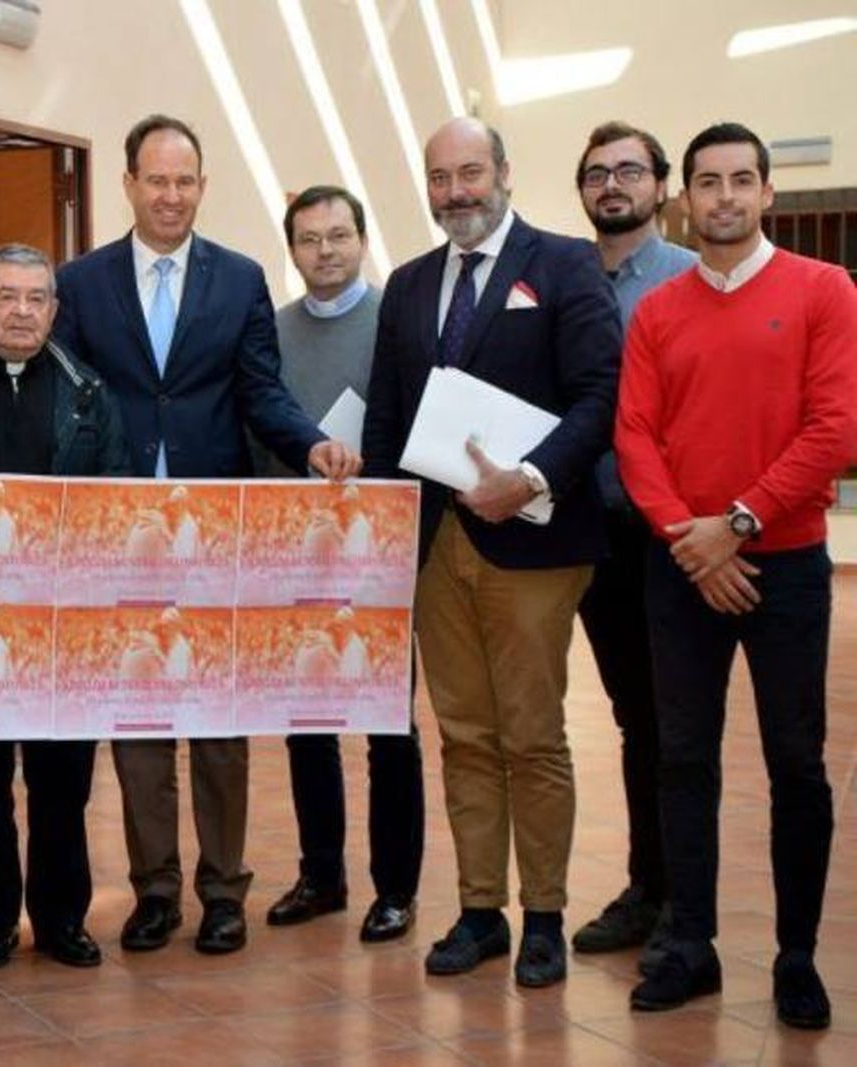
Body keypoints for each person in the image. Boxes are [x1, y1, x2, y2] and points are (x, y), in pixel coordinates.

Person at [53, 114, 358, 956]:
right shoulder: (79, 282)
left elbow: (261, 390)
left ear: (201, 186)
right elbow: (68, 396)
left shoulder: (240, 277)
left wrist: (310, 444)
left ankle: (224, 889)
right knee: (142, 717)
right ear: (128, 185)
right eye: (156, 180)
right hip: (116, 534)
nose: (171, 196)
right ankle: (155, 891)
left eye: (186, 181)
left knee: (220, 719)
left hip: (214, 529)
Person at [361, 117, 620, 988]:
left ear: (504, 172)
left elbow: (599, 395)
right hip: (438, 547)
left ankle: (543, 913)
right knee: (465, 735)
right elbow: (388, 423)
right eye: (440, 178)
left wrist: (534, 476)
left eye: (471, 172)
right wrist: (383, 533)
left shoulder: (564, 265)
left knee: (533, 736)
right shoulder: (405, 285)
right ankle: (480, 912)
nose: (456, 192)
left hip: (535, 544)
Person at [616, 122, 857, 1027]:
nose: (723, 196)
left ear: (766, 194)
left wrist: (740, 523)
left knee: (796, 762)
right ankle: (691, 942)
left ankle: (796, 954)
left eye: (740, 180)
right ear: (684, 197)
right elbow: (635, 434)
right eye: (706, 182)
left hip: (786, 563)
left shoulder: (825, 290)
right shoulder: (658, 311)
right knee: (682, 759)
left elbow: (836, 427)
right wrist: (691, 537)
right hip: (681, 567)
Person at [0, 243, 128, 971]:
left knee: (62, 784)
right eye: (6, 296)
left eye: (36, 298)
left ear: (55, 308)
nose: (22, 311)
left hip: (61, 627)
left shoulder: (89, 393)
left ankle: (61, 919)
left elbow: (115, 494)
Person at [257, 185, 425, 945]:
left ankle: (396, 888)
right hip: (296, 546)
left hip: (381, 546)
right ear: (291, 249)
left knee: (388, 725)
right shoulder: (273, 330)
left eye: (338, 235)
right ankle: (322, 872)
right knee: (307, 723)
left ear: (362, 238)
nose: (325, 251)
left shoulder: (401, 317)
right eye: (309, 239)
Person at [566, 122, 697, 964]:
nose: (612, 184)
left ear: (660, 185)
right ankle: (649, 885)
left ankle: (685, 898)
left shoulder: (689, 280)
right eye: (596, 173)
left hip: (674, 532)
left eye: (628, 171)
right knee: (632, 717)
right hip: (592, 530)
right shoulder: (564, 277)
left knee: (677, 721)